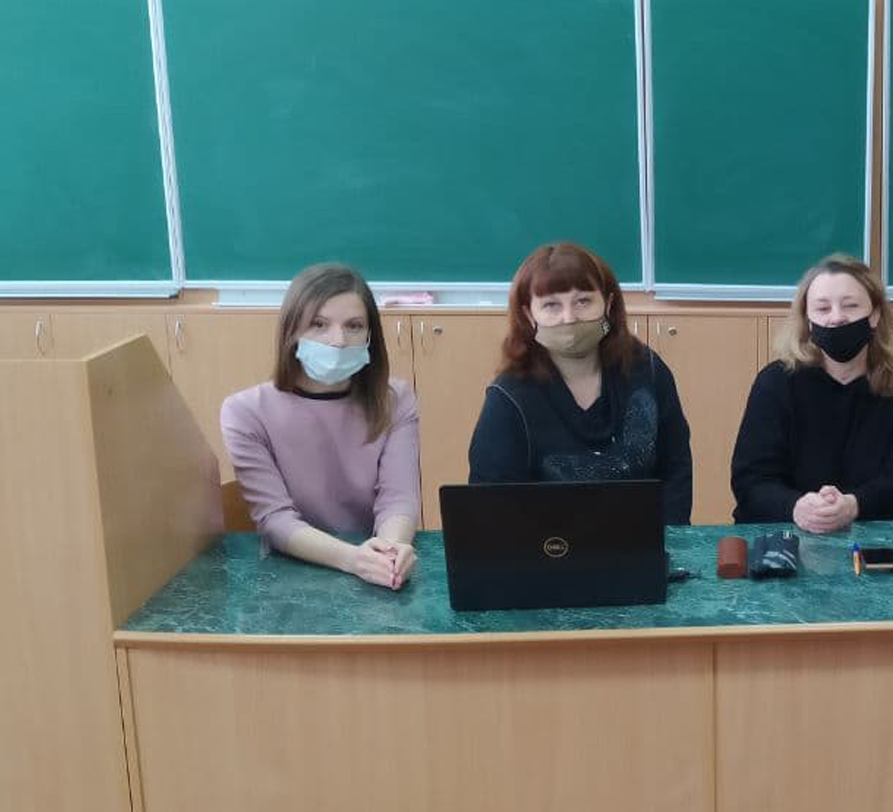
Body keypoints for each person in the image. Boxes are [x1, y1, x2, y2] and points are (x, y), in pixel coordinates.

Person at [221, 262, 420, 588]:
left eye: (354, 326)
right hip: (291, 577)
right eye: (319, 324)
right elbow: (275, 519)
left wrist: (391, 552)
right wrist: (354, 560)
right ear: (292, 331)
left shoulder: (396, 399)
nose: (338, 340)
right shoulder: (245, 412)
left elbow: (398, 498)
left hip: (376, 567)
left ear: (370, 336)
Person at [467, 241, 692, 524]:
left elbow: (676, 467)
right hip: (546, 544)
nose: (569, 318)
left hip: (645, 539)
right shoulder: (509, 396)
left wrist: (666, 537)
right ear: (528, 314)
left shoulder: (648, 370)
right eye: (551, 305)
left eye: (583, 301)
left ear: (608, 304)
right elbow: (490, 501)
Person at [731, 254, 893, 530]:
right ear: (808, 320)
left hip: (873, 533)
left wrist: (854, 505)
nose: (836, 318)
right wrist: (796, 507)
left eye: (850, 306)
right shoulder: (775, 383)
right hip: (785, 530)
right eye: (823, 308)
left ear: (875, 315)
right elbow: (750, 479)